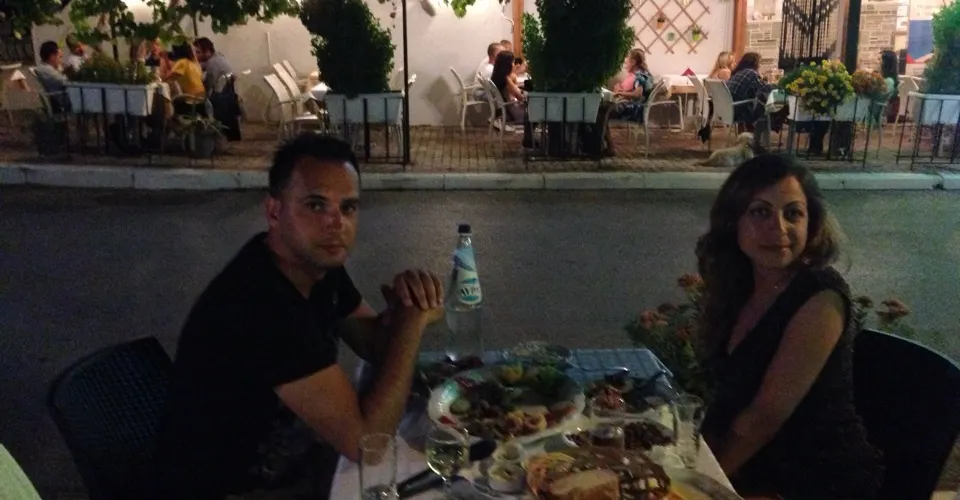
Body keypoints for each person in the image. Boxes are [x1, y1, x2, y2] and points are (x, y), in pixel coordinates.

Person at [151, 133, 445, 498]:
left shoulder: (314, 265)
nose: (336, 223)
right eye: (316, 205)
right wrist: (411, 323)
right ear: (274, 212)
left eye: (348, 208)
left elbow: (373, 344)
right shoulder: (262, 304)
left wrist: (405, 307)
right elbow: (367, 443)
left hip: (294, 461)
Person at [696, 155, 883, 499]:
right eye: (760, 212)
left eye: (793, 213)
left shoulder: (820, 298)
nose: (779, 228)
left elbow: (765, 416)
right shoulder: (741, 284)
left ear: (811, 223)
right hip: (754, 466)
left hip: (815, 480)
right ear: (733, 221)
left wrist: (698, 480)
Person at [726, 52, 774, 148]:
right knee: (765, 111)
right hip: (737, 110)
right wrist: (771, 83)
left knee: (757, 105)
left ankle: (749, 141)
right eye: (760, 62)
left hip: (728, 109)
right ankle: (758, 143)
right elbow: (765, 88)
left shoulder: (737, 72)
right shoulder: (751, 73)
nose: (760, 65)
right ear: (755, 63)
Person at [610, 48, 654, 123]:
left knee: (605, 109)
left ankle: (601, 130)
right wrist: (622, 91)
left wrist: (620, 93)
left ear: (633, 62)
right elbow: (637, 91)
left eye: (627, 63)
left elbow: (637, 94)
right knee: (607, 107)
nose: (625, 66)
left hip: (634, 110)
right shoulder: (645, 73)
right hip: (639, 109)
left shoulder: (639, 76)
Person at [34, 41, 70, 113]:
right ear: (52, 57)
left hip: (64, 96)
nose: (61, 61)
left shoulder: (49, 68)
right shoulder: (45, 69)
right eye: (60, 57)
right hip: (64, 100)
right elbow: (64, 81)